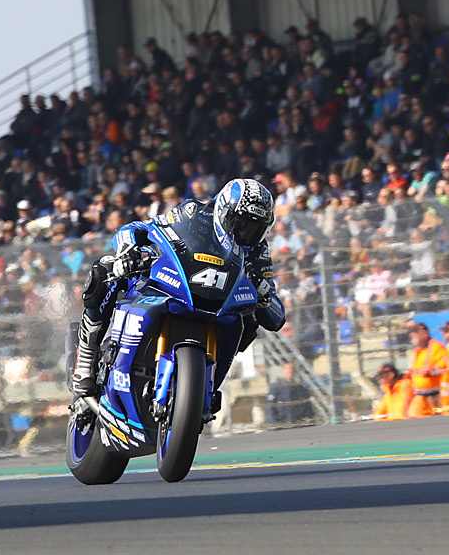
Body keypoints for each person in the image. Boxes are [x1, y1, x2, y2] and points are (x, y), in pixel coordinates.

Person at [69, 178, 287, 417]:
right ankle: (85, 360)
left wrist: (263, 292)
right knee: (105, 269)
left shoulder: (258, 250)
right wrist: (129, 251)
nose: (245, 233)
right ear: (224, 211)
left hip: (219, 305)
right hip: (177, 285)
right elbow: (141, 228)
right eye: (240, 223)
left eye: (254, 229)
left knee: (248, 321)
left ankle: (208, 386)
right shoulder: (193, 212)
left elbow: (277, 317)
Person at [404, 322, 449, 418]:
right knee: (413, 417)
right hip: (420, 395)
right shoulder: (416, 351)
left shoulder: (437, 347)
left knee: (441, 421)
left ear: (425, 333)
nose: (412, 335)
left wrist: (431, 371)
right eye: (412, 333)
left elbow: (446, 366)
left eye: (416, 332)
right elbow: (414, 370)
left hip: (436, 396)